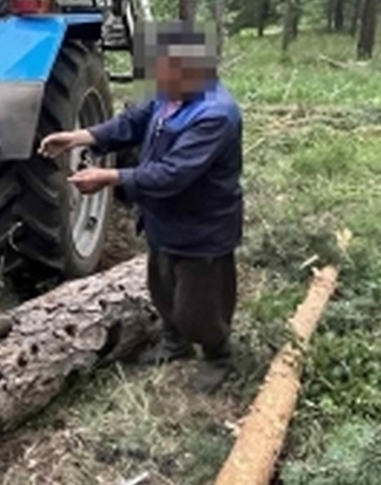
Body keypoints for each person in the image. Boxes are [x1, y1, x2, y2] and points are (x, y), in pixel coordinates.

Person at [38, 22, 244, 392]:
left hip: (202, 227)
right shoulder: (173, 94)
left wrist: (110, 177)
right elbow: (134, 120)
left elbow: (173, 174)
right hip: (164, 219)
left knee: (199, 304)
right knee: (163, 288)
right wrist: (80, 137)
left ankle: (218, 355)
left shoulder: (215, 115)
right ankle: (174, 342)